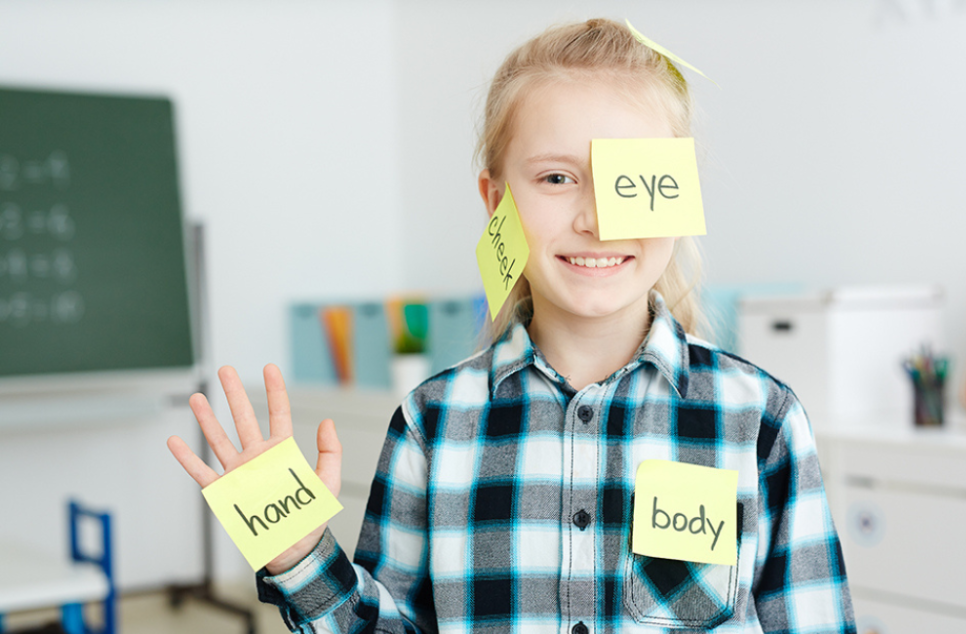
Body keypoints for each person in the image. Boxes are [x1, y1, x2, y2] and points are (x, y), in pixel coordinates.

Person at [169, 18, 856, 633]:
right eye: (557, 179)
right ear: (496, 199)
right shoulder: (432, 423)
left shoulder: (760, 421)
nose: (595, 218)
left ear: (677, 195)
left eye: (632, 179)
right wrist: (300, 555)